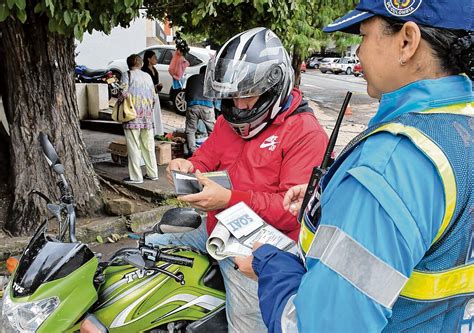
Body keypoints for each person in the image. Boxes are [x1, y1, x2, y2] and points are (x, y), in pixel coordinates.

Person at [235, 1, 474, 332]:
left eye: (363, 35)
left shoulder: (390, 164)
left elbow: (315, 326)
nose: (357, 52)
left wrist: (270, 265)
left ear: (407, 41)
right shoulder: (459, 127)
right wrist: (341, 198)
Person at [145, 27, 329, 332]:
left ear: (274, 88)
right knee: (147, 250)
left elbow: (289, 210)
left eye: (249, 96)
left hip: (259, 250)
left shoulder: (305, 134)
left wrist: (229, 199)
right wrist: (186, 166)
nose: (239, 106)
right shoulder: (226, 123)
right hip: (216, 230)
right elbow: (205, 159)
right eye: (233, 97)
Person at [121, 54, 159, 184]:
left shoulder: (127, 75)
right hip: (147, 117)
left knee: (134, 146)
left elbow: (123, 94)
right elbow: (154, 97)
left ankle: (136, 177)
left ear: (129, 64)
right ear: (141, 64)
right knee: (148, 146)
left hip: (132, 116)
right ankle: (153, 173)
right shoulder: (147, 76)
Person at [184, 65, 216, 154]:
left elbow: (186, 95)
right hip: (207, 106)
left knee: (190, 130)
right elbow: (214, 96)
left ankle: (193, 151)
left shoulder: (191, 78)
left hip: (192, 105)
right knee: (212, 131)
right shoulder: (210, 81)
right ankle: (213, 151)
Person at [141, 50, 164, 137]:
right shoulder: (144, 70)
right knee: (150, 114)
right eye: (154, 58)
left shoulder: (154, 69)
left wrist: (158, 87)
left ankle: (157, 132)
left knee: (156, 113)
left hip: (155, 94)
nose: (156, 59)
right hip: (148, 95)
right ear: (148, 59)